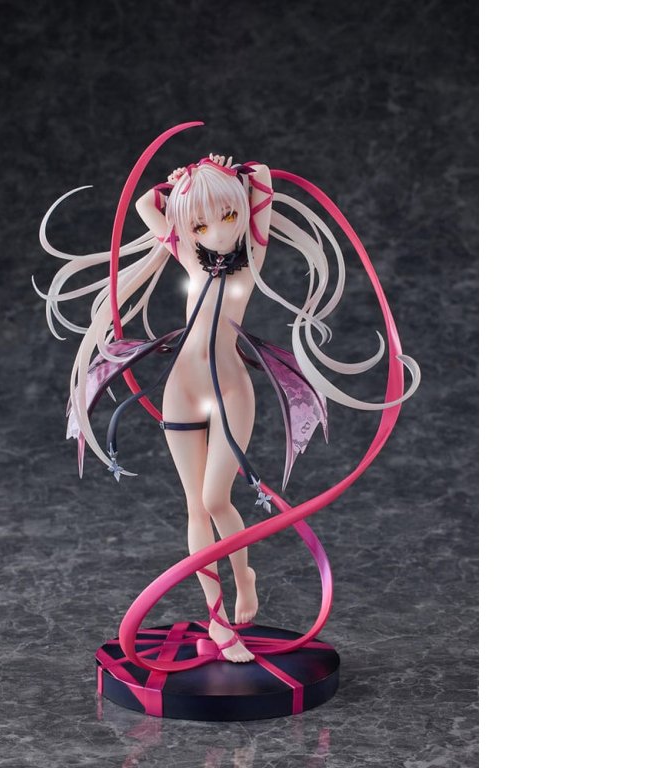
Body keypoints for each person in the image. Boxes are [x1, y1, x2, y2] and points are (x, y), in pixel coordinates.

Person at [35, 150, 418, 662]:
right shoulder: (189, 256)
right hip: (182, 385)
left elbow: (262, 179)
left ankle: (245, 577)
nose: (216, 232)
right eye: (201, 224)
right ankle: (217, 622)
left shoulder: (253, 251)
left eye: (228, 215)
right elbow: (148, 204)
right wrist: (181, 182)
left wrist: (224, 174)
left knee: (217, 499)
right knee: (194, 506)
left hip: (231, 387)